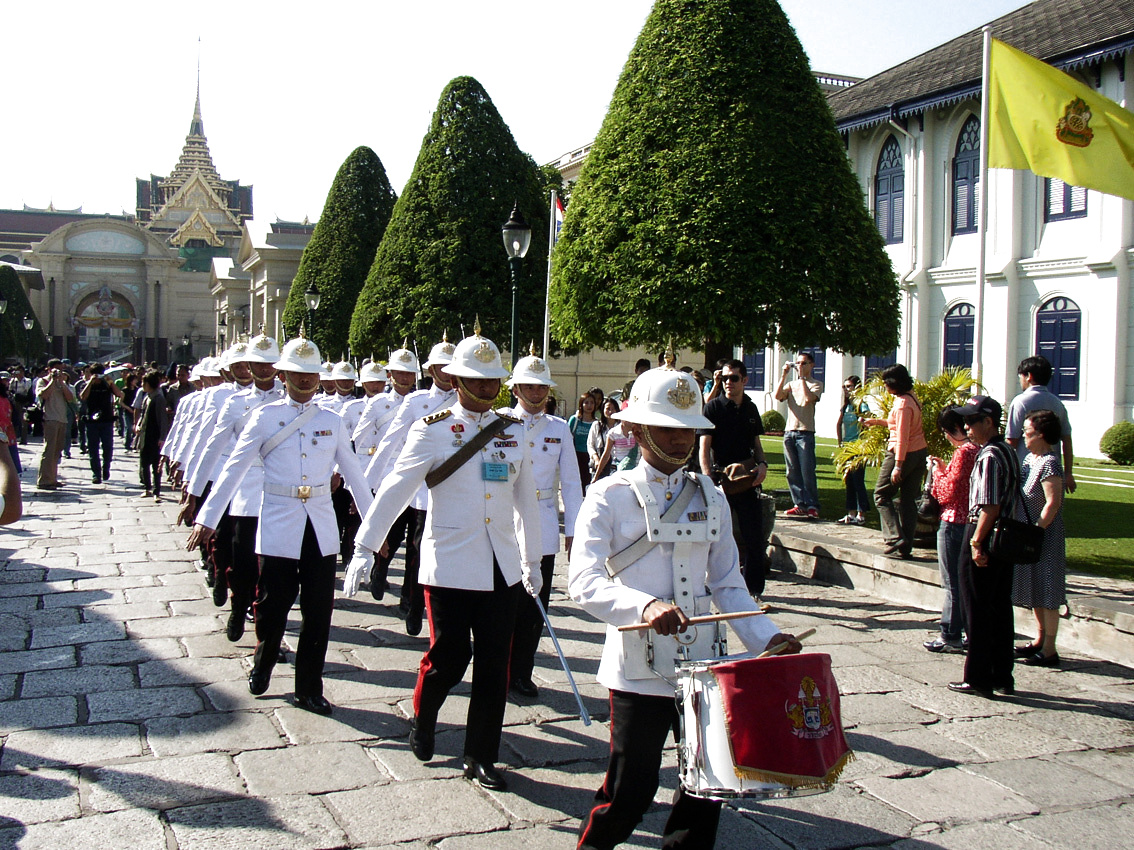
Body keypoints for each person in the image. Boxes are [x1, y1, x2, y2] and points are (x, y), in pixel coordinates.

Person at [569, 365, 801, 850]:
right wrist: (644, 605)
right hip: (637, 668)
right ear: (637, 428)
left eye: (687, 429)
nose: (679, 440)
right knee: (631, 790)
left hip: (704, 664)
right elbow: (583, 582)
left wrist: (768, 638)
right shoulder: (607, 496)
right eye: (668, 428)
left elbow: (728, 584)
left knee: (708, 786)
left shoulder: (711, 495)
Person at [344, 328, 541, 792]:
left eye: (495, 381)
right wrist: (365, 547)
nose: (490, 389)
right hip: (450, 562)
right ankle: (425, 714)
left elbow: (526, 502)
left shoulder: (513, 431)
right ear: (457, 381)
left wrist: (531, 562)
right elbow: (396, 487)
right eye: (480, 380)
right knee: (448, 660)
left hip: (501, 567)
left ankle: (481, 755)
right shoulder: (430, 429)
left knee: (495, 666)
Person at [188, 335, 372, 716]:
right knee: (273, 607)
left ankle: (309, 687)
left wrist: (374, 530)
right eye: (296, 374)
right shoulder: (263, 418)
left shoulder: (332, 422)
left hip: (320, 527)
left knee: (319, 612)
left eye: (311, 374)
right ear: (283, 374)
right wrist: (206, 517)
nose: (304, 381)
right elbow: (233, 470)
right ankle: (265, 657)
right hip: (277, 522)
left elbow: (354, 475)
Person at [503, 350, 583, 698]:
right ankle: (497, 666)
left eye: (542, 389)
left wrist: (574, 530)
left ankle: (522, 671)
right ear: (516, 388)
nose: (536, 395)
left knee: (535, 605)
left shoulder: (558, 428)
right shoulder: (500, 421)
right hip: (504, 521)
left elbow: (571, 481)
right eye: (529, 388)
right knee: (503, 602)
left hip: (544, 520)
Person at [362, 338, 456, 635]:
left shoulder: (465, 402)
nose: (446, 372)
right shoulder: (416, 403)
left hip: (456, 491)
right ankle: (412, 604)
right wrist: (367, 489)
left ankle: (428, 606)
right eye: (440, 366)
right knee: (416, 551)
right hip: (419, 489)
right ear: (429, 370)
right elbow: (389, 443)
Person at [948, 395, 1020, 698]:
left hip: (985, 532)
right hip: (1006, 538)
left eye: (972, 422)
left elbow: (988, 506)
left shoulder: (989, 455)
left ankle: (978, 676)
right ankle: (1003, 674)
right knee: (1000, 607)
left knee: (976, 607)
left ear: (988, 422)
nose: (966, 427)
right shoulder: (1008, 451)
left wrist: (977, 541)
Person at [698, 358, 769, 597]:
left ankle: (753, 591)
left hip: (746, 480)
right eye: (725, 378)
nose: (728, 382)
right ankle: (708, 584)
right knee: (713, 537)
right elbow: (704, 447)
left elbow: (757, 444)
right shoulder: (713, 408)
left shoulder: (750, 408)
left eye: (733, 378)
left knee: (754, 538)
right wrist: (708, 479)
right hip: (720, 480)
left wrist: (763, 465)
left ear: (744, 380)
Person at [358, 345, 421, 603]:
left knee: (416, 544)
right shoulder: (377, 404)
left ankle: (408, 596)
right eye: (399, 373)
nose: (405, 379)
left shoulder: (424, 402)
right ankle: (380, 570)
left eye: (409, 374)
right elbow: (359, 439)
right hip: (389, 477)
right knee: (390, 534)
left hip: (418, 481)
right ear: (390, 375)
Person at [1012, 410, 1067, 667]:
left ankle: (1050, 649)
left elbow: (1053, 502)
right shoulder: (1029, 460)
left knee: (1048, 590)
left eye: (1028, 431)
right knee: (1035, 588)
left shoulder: (1050, 462)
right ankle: (1039, 639)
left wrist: (1038, 529)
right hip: (1029, 534)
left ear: (1041, 434)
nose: (1024, 435)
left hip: (1044, 536)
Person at [924, 408, 977, 653]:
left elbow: (947, 492)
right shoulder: (979, 450)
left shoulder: (964, 452)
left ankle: (950, 633)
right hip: (970, 521)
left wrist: (936, 474)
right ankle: (964, 629)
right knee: (963, 581)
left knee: (952, 582)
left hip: (954, 519)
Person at [864, 364, 928, 558]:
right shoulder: (912, 398)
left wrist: (898, 466)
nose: (885, 387)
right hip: (919, 452)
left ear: (895, 383)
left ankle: (893, 536)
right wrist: (876, 422)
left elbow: (902, 437)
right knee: (909, 500)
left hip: (903, 453)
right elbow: (900, 425)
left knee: (881, 495)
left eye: (886, 384)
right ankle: (905, 546)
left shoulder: (902, 404)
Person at [1006, 355, 1075, 493]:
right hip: (1051, 468)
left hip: (1025, 469)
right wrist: (1068, 473)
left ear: (1028, 376)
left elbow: (1012, 440)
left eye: (1021, 376)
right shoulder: (1057, 403)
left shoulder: (1020, 401)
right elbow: (1066, 439)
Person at [774, 351, 823, 518]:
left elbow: (809, 398)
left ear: (811, 365)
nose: (800, 366)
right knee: (792, 471)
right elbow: (778, 395)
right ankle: (799, 503)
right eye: (798, 363)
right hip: (789, 431)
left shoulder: (816, 384)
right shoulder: (791, 385)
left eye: (803, 363)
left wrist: (802, 379)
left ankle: (812, 504)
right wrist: (784, 375)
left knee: (807, 470)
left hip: (805, 432)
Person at [79, 362, 124, 484]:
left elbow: (119, 394)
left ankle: (106, 468)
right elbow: (83, 397)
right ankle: (96, 474)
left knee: (108, 447)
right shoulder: (86, 384)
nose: (97, 377)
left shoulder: (107, 384)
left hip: (106, 419)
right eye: (95, 375)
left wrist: (109, 381)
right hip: (91, 421)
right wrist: (90, 382)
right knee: (93, 448)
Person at [35, 359, 75, 490]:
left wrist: (62, 382)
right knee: (49, 449)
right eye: (56, 369)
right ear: (49, 368)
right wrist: (52, 380)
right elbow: (44, 395)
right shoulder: (43, 381)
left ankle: (52, 478)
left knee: (57, 451)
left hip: (62, 418)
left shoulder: (62, 382)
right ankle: (44, 480)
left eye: (61, 369)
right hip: (50, 418)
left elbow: (70, 398)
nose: (59, 371)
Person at [836, 375, 870, 525]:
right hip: (847, 447)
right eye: (845, 387)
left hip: (858, 448)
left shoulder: (861, 405)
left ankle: (861, 514)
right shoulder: (846, 406)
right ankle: (850, 513)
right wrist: (840, 442)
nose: (847, 390)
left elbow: (868, 420)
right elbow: (838, 423)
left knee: (858, 481)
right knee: (849, 481)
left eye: (849, 386)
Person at [135, 371, 170, 500]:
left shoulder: (159, 398)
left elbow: (162, 419)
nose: (143, 385)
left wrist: (162, 437)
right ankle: (147, 488)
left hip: (154, 435)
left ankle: (157, 491)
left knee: (156, 465)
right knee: (144, 463)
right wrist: (139, 425)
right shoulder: (147, 397)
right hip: (145, 434)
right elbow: (143, 414)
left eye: (144, 382)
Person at [592, 409, 637, 481]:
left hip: (635, 470)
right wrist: (596, 476)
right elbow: (606, 454)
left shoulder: (638, 433)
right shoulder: (613, 433)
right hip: (618, 469)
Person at [568, 393, 598, 492]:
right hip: (576, 456)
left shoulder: (597, 423)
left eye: (592, 403)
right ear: (581, 404)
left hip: (591, 458)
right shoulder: (575, 420)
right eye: (586, 403)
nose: (589, 406)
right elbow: (567, 438)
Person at [588, 398, 617, 481]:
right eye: (608, 409)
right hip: (599, 465)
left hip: (615, 465)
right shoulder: (596, 425)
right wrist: (596, 459)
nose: (611, 411)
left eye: (613, 409)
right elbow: (590, 445)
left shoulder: (620, 427)